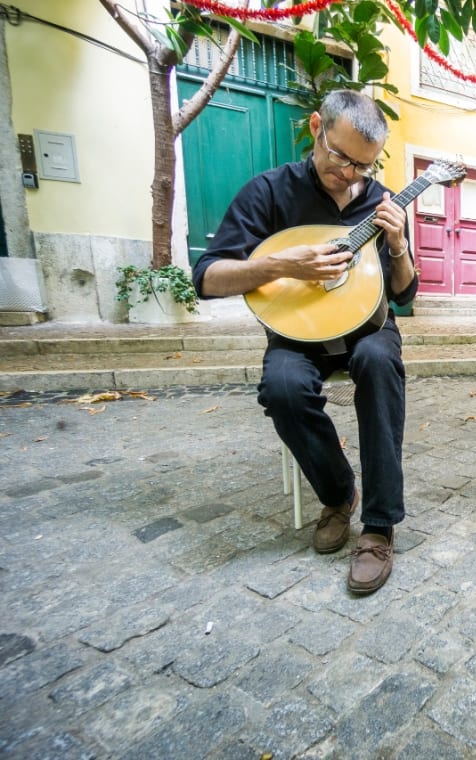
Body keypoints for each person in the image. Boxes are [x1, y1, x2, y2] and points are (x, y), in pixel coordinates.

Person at [192, 90, 417, 597]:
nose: (350, 175)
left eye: (364, 165)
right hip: (298, 328)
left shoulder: (383, 201)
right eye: (341, 158)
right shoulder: (269, 192)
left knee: (379, 362)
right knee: (282, 387)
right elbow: (206, 276)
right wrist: (280, 265)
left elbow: (404, 294)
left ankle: (379, 526)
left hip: (368, 326)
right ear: (317, 127)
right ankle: (339, 494)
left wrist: (399, 245)